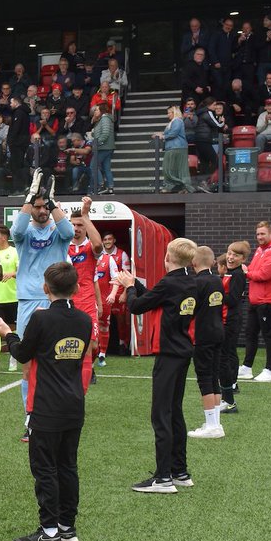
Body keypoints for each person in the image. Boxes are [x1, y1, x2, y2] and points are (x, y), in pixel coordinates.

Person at [0, 262, 91, 541]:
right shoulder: (85, 320)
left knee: (45, 468)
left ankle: (49, 532)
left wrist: (7, 335)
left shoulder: (41, 319)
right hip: (74, 404)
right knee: (67, 465)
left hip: (47, 406)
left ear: (45, 288)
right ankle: (66, 527)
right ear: (75, 288)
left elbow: (23, 353)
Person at [117, 238, 197, 494]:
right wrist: (136, 285)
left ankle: (163, 477)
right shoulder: (191, 280)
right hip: (183, 351)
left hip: (168, 353)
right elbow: (155, 297)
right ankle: (179, 471)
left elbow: (137, 306)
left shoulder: (169, 282)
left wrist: (130, 287)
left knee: (160, 414)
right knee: (174, 412)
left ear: (168, 259)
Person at [11, 171, 75, 437]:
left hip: (57, 298)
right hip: (28, 298)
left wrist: (51, 201)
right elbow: (16, 229)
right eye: (37, 206)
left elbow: (69, 230)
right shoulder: (24, 232)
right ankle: (30, 415)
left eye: (44, 206)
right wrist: (31, 195)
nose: (41, 211)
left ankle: (57, 410)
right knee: (28, 360)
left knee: (58, 356)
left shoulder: (57, 230)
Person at [239, 221, 271, 383]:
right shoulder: (261, 250)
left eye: (262, 234)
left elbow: (263, 274)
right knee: (250, 333)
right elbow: (255, 270)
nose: (259, 237)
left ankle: (270, 370)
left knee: (269, 335)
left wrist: (247, 272)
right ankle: (246, 368)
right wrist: (250, 271)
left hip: (270, 300)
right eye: (258, 234)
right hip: (256, 299)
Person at [188, 246, 226, 439]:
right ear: (212, 262)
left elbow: (191, 309)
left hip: (203, 335)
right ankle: (216, 423)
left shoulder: (197, 283)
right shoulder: (217, 280)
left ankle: (211, 425)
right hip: (218, 331)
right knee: (213, 377)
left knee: (205, 378)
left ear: (193, 263)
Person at [67, 200, 103, 380]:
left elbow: (99, 246)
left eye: (80, 225)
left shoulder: (90, 247)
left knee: (93, 344)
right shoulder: (63, 245)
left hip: (87, 302)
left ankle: (88, 365)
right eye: (73, 224)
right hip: (67, 302)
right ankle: (79, 381)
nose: (76, 228)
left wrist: (86, 215)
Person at [218, 243, 249, 413]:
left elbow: (233, 300)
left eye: (235, 255)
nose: (230, 257)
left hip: (230, 321)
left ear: (242, 259)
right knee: (227, 355)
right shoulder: (231, 273)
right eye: (229, 254)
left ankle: (229, 399)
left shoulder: (237, 275)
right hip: (228, 319)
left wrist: (215, 292)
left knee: (226, 357)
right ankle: (228, 392)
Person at [95, 232, 130, 364]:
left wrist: (123, 292)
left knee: (118, 320)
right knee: (94, 324)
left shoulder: (118, 256)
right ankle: (96, 350)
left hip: (113, 292)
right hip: (93, 296)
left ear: (114, 240)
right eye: (105, 239)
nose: (107, 241)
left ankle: (121, 345)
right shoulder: (90, 257)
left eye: (110, 239)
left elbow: (124, 274)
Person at [0, 225, 19, 372]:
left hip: (13, 297)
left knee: (12, 331)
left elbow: (23, 271)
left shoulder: (14, 252)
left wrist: (13, 273)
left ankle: (14, 356)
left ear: (4, 237)